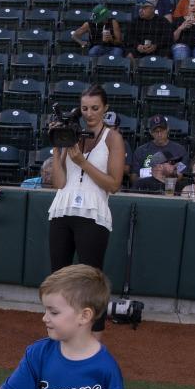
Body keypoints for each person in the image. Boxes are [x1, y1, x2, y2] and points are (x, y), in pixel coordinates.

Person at [46, 85, 125, 279]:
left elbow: (114, 185)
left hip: (93, 212)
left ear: (105, 107)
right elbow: (59, 183)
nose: (89, 114)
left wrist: (82, 162)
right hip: (62, 209)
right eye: (84, 108)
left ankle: (94, 311)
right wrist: (57, 147)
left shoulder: (113, 138)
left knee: (90, 279)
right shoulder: (71, 134)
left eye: (95, 108)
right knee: (58, 276)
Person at [131, 115, 189, 180]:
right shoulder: (141, 151)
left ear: (167, 129)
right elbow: (134, 176)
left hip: (169, 186)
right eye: (156, 131)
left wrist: (163, 180)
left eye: (162, 130)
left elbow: (180, 175)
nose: (159, 134)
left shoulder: (179, 150)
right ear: (150, 132)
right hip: (147, 187)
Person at [123, 0, 172, 64]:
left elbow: (169, 38)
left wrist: (156, 45)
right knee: (129, 54)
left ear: (153, 9)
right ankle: (135, 73)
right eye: (140, 7)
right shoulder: (134, 21)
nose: (140, 10)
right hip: (139, 49)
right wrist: (137, 46)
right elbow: (127, 38)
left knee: (166, 54)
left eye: (144, 8)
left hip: (157, 49)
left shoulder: (163, 21)